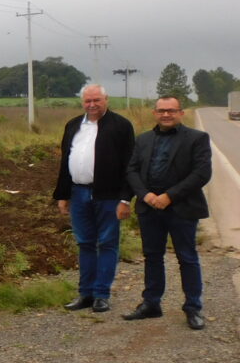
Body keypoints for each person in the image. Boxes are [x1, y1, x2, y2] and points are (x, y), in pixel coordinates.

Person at [122, 95, 212, 329]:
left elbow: (201, 173)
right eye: (161, 110)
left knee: (187, 258)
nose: (166, 114)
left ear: (181, 113)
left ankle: (193, 308)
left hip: (182, 207)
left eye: (171, 110)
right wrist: (146, 195)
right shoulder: (143, 140)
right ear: (155, 113)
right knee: (152, 257)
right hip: (149, 207)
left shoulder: (197, 138)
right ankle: (151, 303)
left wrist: (169, 196)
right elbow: (131, 171)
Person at [53, 84, 134, 313]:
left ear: (106, 99)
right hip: (78, 193)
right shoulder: (73, 126)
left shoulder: (121, 126)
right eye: (88, 101)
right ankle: (85, 293)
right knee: (84, 243)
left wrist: (126, 199)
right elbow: (65, 162)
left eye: (96, 100)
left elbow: (130, 165)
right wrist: (63, 194)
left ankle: (101, 294)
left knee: (107, 243)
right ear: (82, 102)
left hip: (108, 195)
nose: (92, 105)